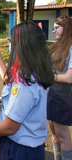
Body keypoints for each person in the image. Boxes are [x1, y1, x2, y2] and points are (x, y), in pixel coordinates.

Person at [0, 21, 54, 160]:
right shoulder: (33, 70)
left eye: (11, 40)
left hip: (19, 149)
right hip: (29, 147)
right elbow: (8, 77)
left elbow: (9, 127)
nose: (9, 44)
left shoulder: (25, 83)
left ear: (22, 46)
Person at [47, 16, 72, 160]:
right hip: (51, 94)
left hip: (63, 97)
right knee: (54, 133)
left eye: (57, 27)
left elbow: (69, 78)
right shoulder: (57, 46)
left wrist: (47, 77)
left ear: (67, 28)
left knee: (63, 136)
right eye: (53, 28)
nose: (53, 31)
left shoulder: (71, 47)